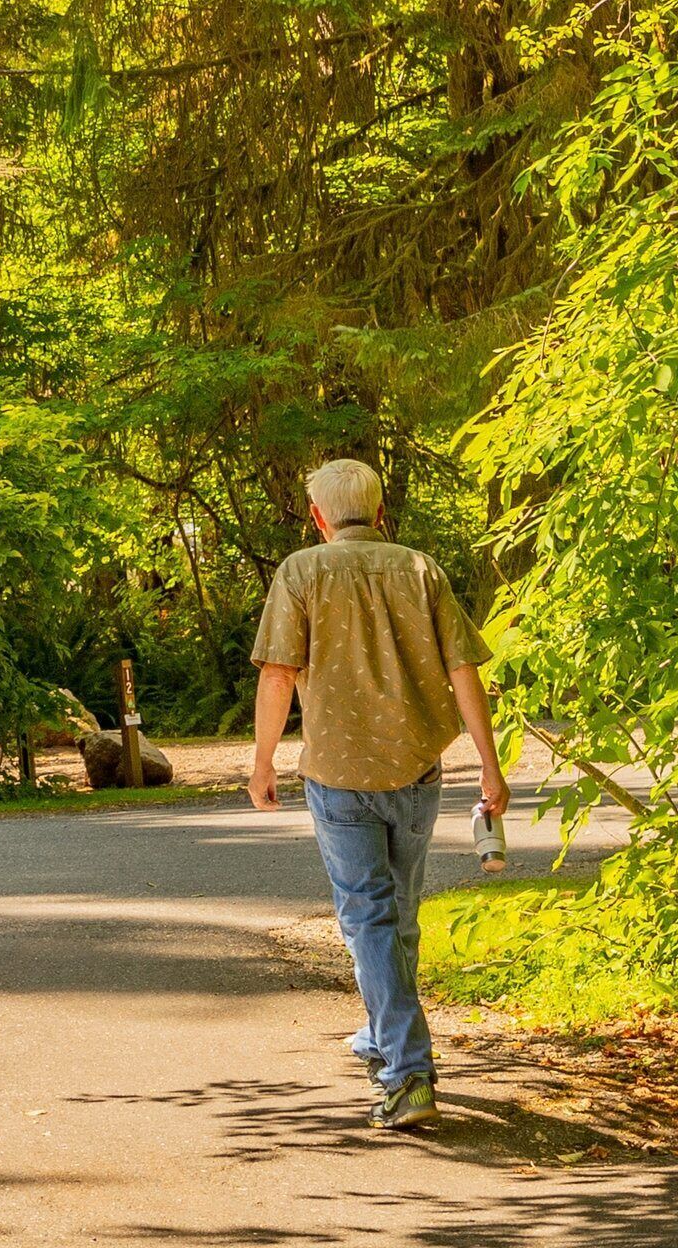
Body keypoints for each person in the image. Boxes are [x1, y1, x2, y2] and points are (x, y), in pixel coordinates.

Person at [248, 458, 510, 1131]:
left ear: (319, 517)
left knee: (368, 918)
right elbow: (463, 671)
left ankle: (406, 1072)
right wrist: (489, 764)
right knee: (399, 913)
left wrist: (263, 761)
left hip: (336, 774)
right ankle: (379, 1034)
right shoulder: (419, 569)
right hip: (416, 768)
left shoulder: (301, 572)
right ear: (381, 508)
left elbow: (278, 675)